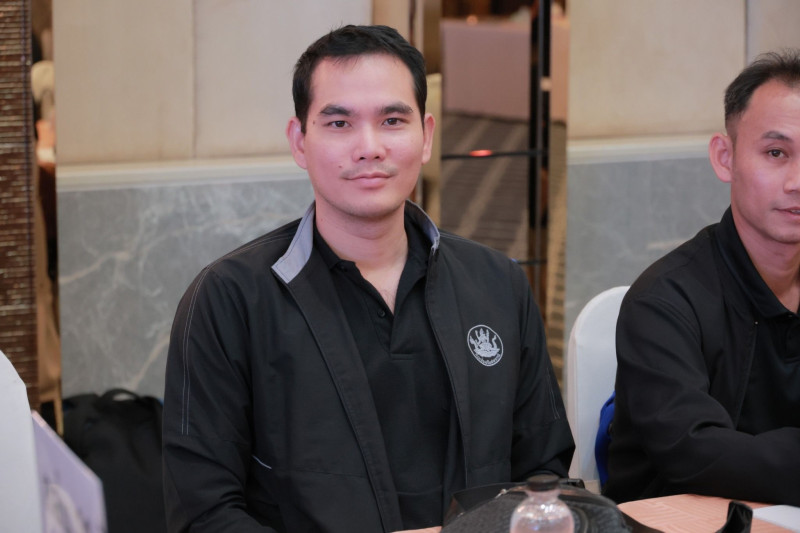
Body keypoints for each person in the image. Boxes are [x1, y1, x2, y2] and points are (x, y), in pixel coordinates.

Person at [162, 24, 574, 533]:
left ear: (426, 136)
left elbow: (544, 476)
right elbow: (204, 514)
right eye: (339, 123)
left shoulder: (497, 285)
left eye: (392, 120)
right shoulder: (229, 300)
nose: (369, 146)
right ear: (299, 141)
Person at [604, 50, 800, 506]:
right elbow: (694, 453)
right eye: (776, 153)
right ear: (725, 158)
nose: (797, 181)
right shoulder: (664, 300)